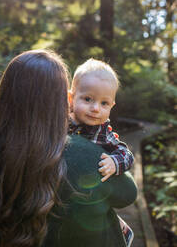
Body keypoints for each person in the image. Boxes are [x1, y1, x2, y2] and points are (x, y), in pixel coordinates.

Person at [0, 49, 137, 247]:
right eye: (87, 99)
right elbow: (127, 194)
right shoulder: (86, 156)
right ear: (65, 99)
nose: (95, 107)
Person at [68, 58, 134, 246]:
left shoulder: (104, 132)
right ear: (71, 98)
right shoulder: (61, 122)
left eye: (104, 103)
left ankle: (121, 230)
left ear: (111, 106)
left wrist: (114, 162)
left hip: (93, 191)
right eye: (88, 99)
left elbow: (127, 154)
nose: (95, 108)